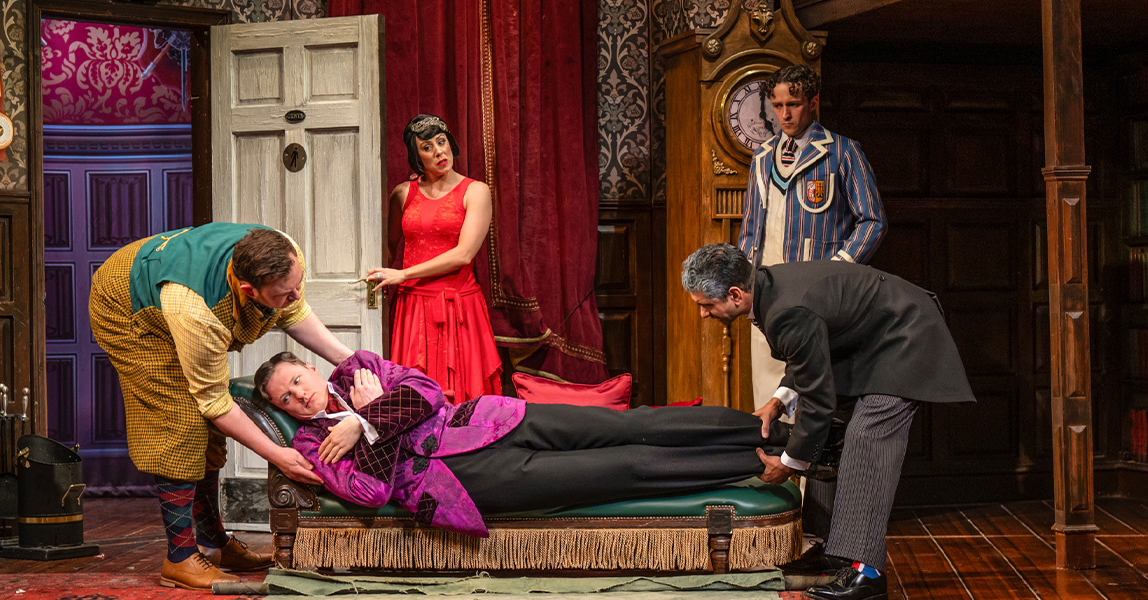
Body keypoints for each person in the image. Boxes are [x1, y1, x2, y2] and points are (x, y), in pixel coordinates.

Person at [252, 349, 816, 537]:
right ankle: (755, 461)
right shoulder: (311, 445)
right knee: (626, 468)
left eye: (296, 381)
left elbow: (426, 392)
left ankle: (781, 435)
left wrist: (368, 424)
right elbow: (373, 493)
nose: (299, 399)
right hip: (464, 485)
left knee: (630, 424)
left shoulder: (358, 369)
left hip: (492, 420)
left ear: (307, 367)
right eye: (285, 400)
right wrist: (373, 420)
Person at [682, 243, 975, 600]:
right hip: (872, 343)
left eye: (706, 305)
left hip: (905, 337)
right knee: (833, 432)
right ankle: (832, 552)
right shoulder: (769, 290)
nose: (703, 314)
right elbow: (808, 351)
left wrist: (788, 465)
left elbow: (818, 399)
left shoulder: (785, 309)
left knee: (868, 438)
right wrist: (779, 400)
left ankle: (867, 576)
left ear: (735, 294)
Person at [90, 223, 353, 591]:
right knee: (182, 423)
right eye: (283, 293)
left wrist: (354, 363)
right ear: (249, 290)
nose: (295, 294)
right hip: (127, 308)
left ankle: (215, 544)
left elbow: (294, 313)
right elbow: (214, 403)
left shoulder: (284, 250)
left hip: (169, 290)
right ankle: (179, 557)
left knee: (207, 434)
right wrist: (279, 455)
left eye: (298, 284)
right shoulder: (196, 310)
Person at [738, 64, 887, 561]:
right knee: (770, 403)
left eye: (793, 105)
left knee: (813, 402)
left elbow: (871, 222)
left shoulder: (842, 151)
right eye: (777, 105)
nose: (785, 114)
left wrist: (835, 276)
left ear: (813, 102)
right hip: (767, 301)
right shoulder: (761, 158)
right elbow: (749, 231)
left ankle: (816, 532)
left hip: (817, 303)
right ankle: (777, 521)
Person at [367, 114, 501, 405]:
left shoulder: (475, 191)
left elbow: (464, 254)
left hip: (457, 310)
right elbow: (387, 251)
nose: (439, 151)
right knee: (411, 399)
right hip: (412, 308)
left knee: (463, 401)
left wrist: (403, 274)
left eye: (442, 142)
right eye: (427, 147)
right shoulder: (403, 194)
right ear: (417, 157)